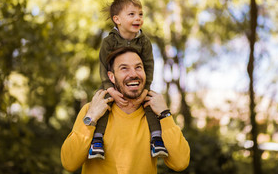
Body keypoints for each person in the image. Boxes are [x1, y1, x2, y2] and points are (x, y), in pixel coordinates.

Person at [61, 47, 190, 174]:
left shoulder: (156, 114)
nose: (133, 74)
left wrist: (165, 114)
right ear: (111, 77)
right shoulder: (91, 111)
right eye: (124, 68)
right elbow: (69, 163)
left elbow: (180, 163)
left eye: (138, 67)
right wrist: (92, 117)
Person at [90, 0, 166, 159]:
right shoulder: (109, 42)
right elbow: (103, 66)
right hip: (112, 84)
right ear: (117, 19)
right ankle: (97, 141)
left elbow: (149, 66)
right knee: (104, 102)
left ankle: (156, 138)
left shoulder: (144, 42)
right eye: (131, 14)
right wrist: (109, 88)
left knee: (150, 102)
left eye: (140, 14)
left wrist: (146, 90)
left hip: (139, 86)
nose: (138, 18)